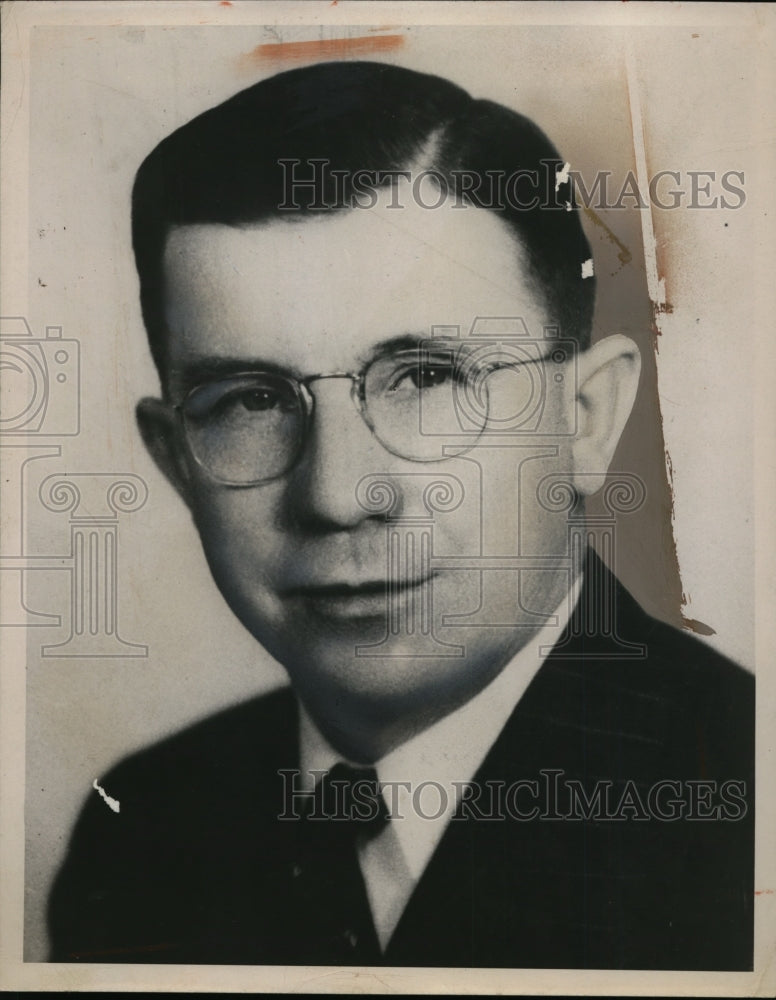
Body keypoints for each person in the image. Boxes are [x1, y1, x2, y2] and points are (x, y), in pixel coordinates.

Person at [47, 60, 753, 970]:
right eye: (251, 400)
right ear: (178, 460)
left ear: (584, 420)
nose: (339, 495)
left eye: (426, 378)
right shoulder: (142, 829)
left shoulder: (743, 807)